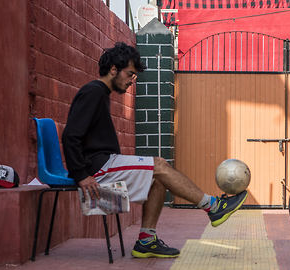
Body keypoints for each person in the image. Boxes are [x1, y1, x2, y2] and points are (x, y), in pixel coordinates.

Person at [62, 42, 248, 259]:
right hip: (97, 169)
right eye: (130, 74)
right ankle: (213, 207)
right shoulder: (93, 92)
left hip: (104, 165)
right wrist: (81, 175)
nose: (132, 80)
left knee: (158, 178)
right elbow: (70, 136)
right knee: (159, 165)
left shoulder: (100, 93)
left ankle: (146, 241)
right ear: (113, 70)